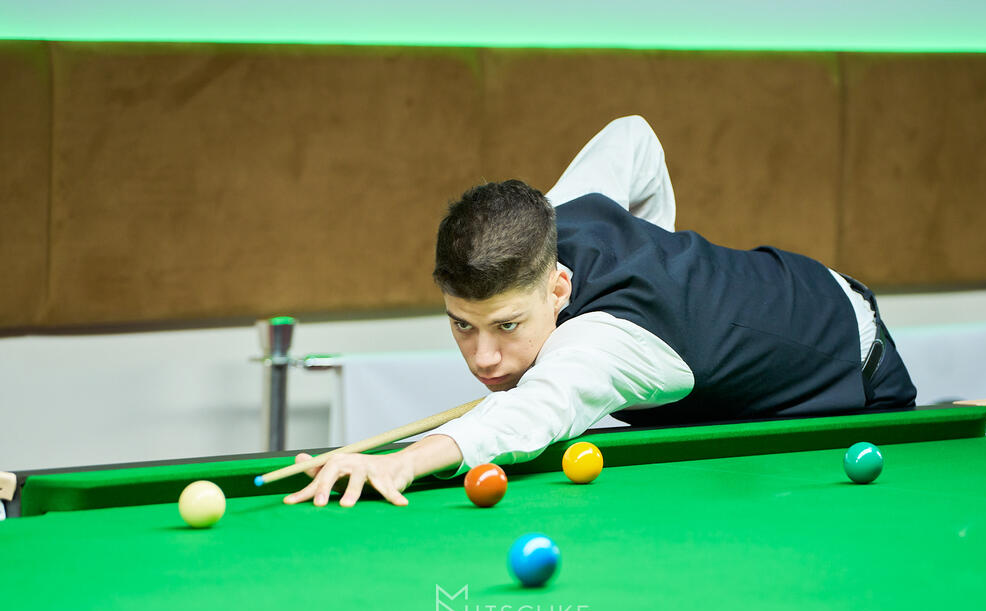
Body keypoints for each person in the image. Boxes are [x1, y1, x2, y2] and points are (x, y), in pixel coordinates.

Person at [284, 115, 916, 508]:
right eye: (462, 325)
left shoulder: (606, 344)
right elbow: (633, 136)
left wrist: (403, 461)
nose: (484, 358)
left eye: (507, 326)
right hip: (782, 291)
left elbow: (529, 415)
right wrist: (656, 246)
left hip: (850, 359)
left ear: (559, 287)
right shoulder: (551, 217)